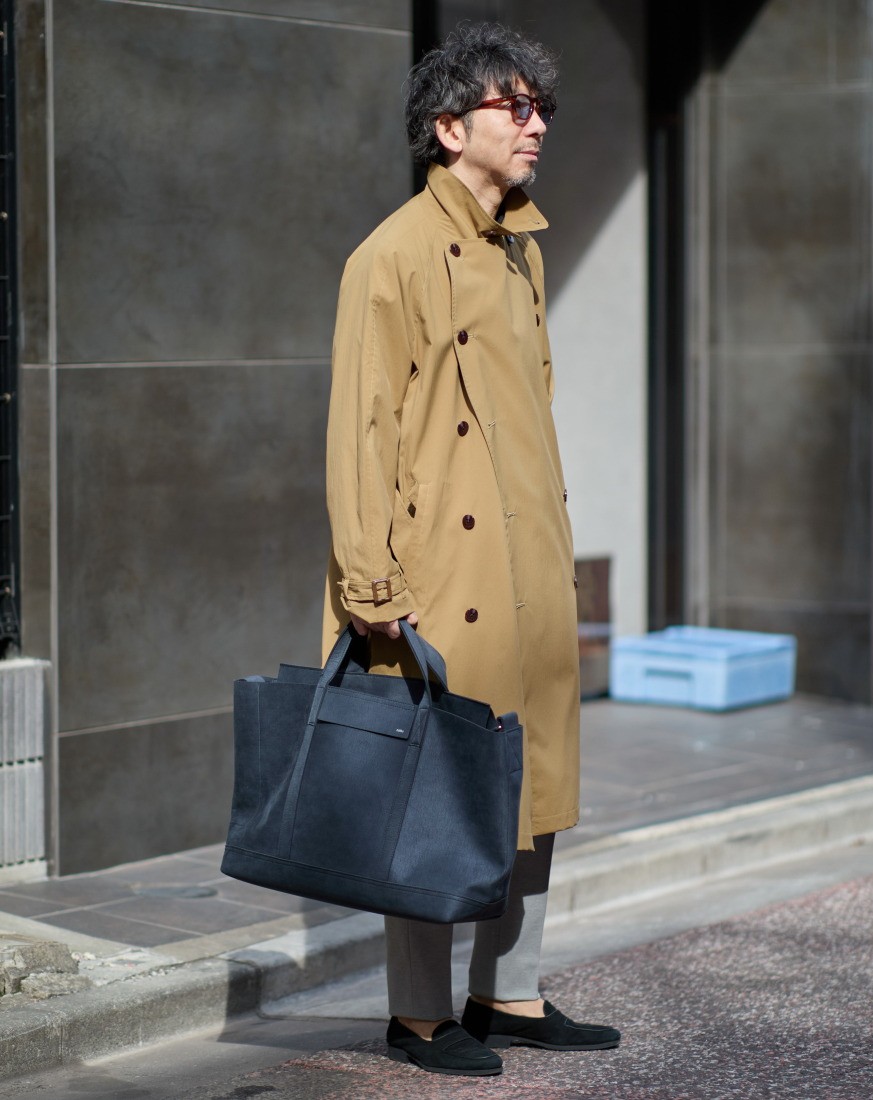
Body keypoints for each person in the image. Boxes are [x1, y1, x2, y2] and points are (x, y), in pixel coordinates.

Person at [323, 21, 620, 1077]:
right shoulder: (391, 255)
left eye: (543, 108)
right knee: (433, 785)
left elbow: (531, 415)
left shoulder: (520, 251)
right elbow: (360, 428)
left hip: (529, 562)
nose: (536, 124)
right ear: (449, 128)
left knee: (531, 781)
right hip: (437, 575)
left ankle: (510, 993)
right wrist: (371, 582)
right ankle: (416, 1013)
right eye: (515, 106)